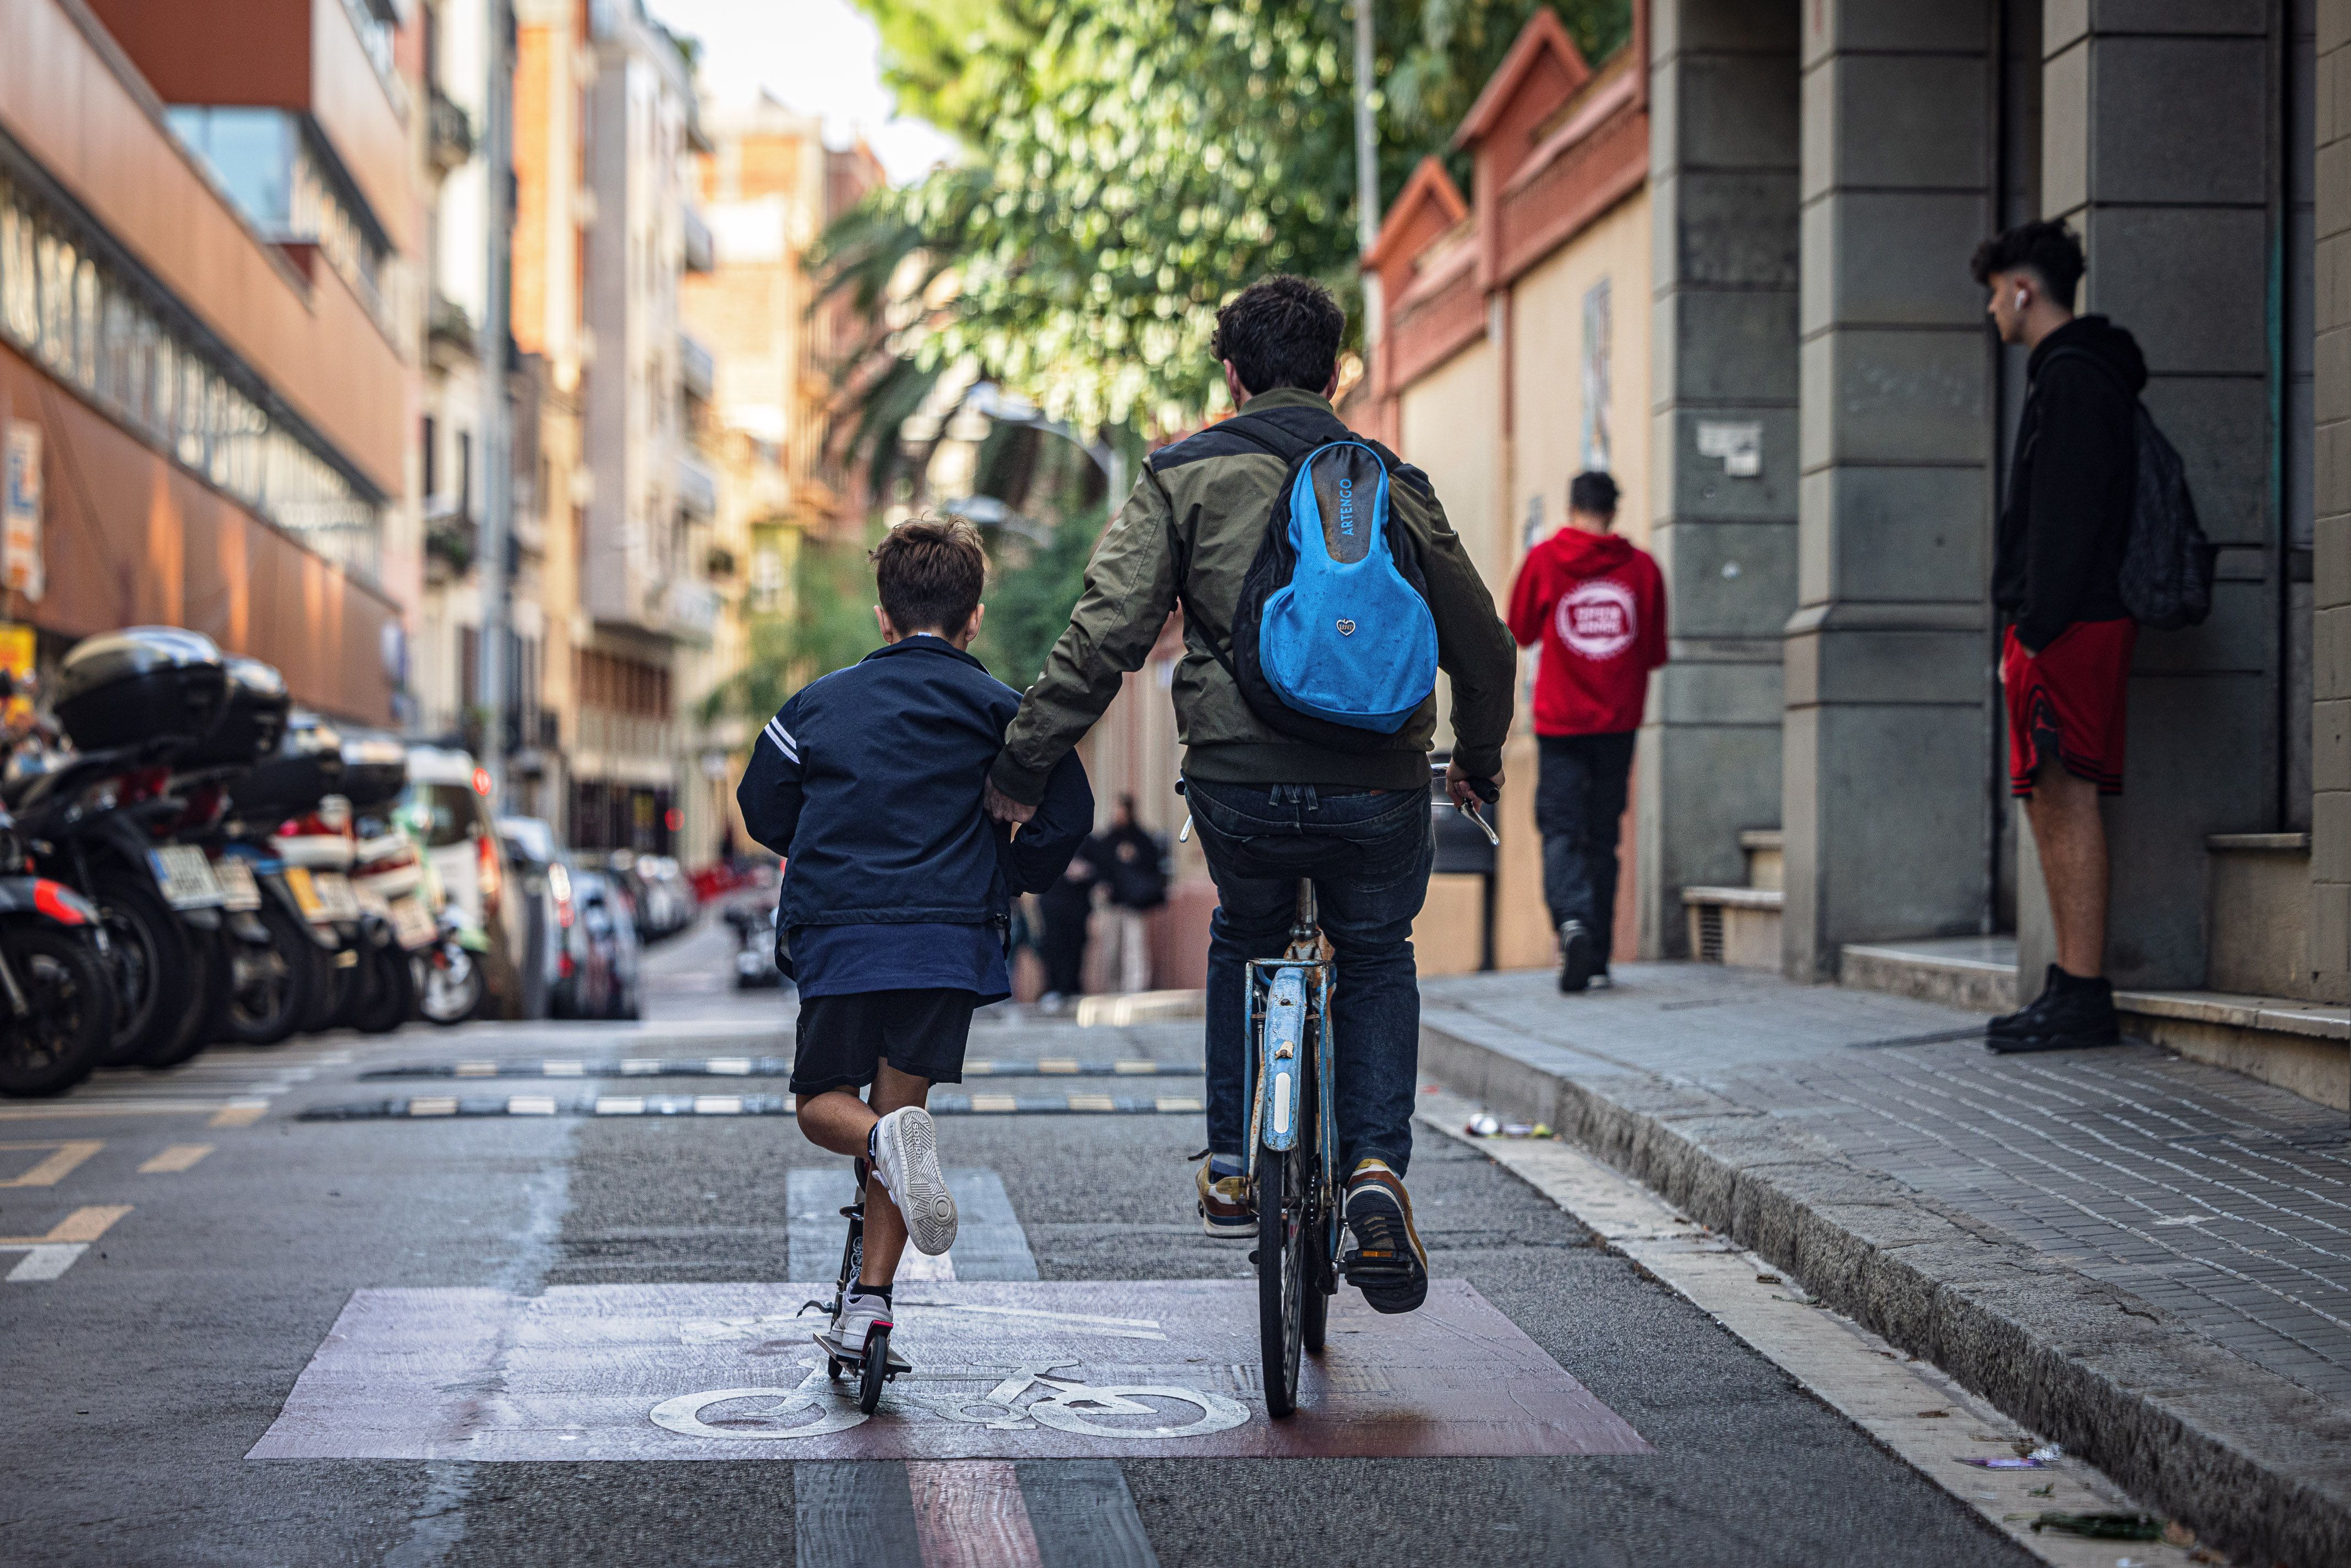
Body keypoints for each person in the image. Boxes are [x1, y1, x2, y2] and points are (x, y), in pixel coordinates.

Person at [983, 275, 1516, 1315]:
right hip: (1379, 787)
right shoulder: (1391, 480)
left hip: (1238, 783)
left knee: (1245, 929)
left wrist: (1022, 764)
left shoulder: (1183, 476)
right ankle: (1373, 1170)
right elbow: (1483, 644)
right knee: (1373, 953)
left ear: (1230, 373)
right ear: (1334, 371)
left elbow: (1106, 637)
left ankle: (1234, 1154)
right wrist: (1477, 757)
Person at [736, 516, 1092, 1357]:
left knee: (827, 1103)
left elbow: (761, 806)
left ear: (883, 617)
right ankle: (870, 1305)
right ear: (973, 619)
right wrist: (1008, 873)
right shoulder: (1002, 709)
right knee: (907, 1114)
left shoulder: (817, 704)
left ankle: (876, 1147)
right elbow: (1066, 810)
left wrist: (824, 839)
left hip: (840, 931)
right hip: (944, 940)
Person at [1972, 218, 2140, 1054]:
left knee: (2066, 796)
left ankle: (2082, 991)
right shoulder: (2072, 373)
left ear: (2024, 289)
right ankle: (2071, 986)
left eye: (1995, 294)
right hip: (2065, 622)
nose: (1992, 311)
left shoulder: (2074, 377)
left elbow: (2069, 512)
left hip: (2067, 625)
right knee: (2050, 798)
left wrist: (2035, 629)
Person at [1506, 471, 1665, 995]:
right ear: (1613, 512)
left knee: (1560, 828)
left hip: (1560, 722)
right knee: (1603, 835)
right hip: (1618, 724)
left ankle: (1571, 923)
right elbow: (1654, 651)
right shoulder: (1642, 570)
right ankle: (1596, 955)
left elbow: (1522, 629)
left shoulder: (1546, 561)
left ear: (1572, 508)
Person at [1099, 794, 1168, 993]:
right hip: (1113, 903)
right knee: (1112, 950)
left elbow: (1152, 866)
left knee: (1134, 948)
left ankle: (1135, 989)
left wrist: (1134, 857)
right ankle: (1114, 989)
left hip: (1134, 905)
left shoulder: (1141, 839)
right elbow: (1101, 866)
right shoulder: (1109, 840)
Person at [1034, 841, 1098, 1010]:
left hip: (1077, 908)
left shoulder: (1088, 843)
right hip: (1053, 904)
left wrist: (1085, 871)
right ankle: (1055, 988)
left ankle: (1071, 988)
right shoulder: (1048, 837)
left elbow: (1101, 869)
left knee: (1075, 948)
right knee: (1054, 947)